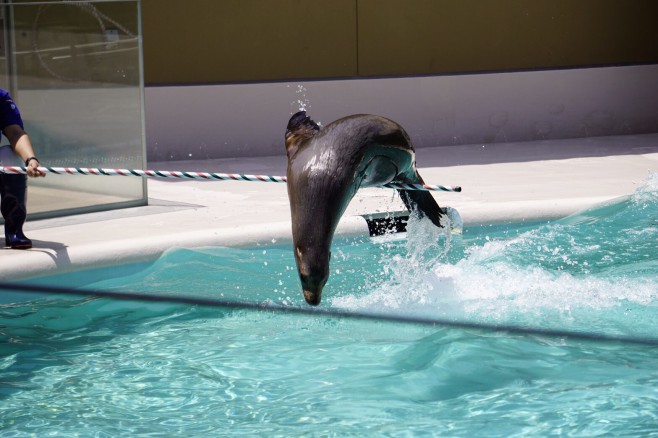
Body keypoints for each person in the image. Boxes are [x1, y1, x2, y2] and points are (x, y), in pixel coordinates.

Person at [0, 89, 45, 249]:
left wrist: (30, 159)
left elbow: (15, 133)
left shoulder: (1, 97)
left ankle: (14, 230)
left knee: (10, 155)